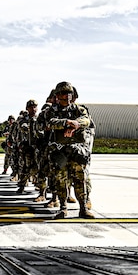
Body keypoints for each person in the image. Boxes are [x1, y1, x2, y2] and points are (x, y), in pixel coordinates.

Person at [45, 81, 94, 219]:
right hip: (61, 151)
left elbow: (87, 120)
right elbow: (48, 122)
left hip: (77, 151)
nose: (66, 96)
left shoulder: (79, 109)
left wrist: (76, 125)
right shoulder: (51, 111)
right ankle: (62, 208)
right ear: (57, 95)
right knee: (61, 181)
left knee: (81, 180)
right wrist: (66, 123)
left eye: (69, 93)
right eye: (63, 93)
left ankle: (83, 208)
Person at [14, 99, 40, 194]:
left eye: (35, 107)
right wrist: (30, 127)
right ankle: (22, 185)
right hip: (27, 147)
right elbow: (23, 126)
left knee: (39, 167)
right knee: (26, 167)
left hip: (37, 147)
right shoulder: (23, 119)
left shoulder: (39, 118)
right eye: (31, 107)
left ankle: (40, 187)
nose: (33, 109)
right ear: (27, 108)